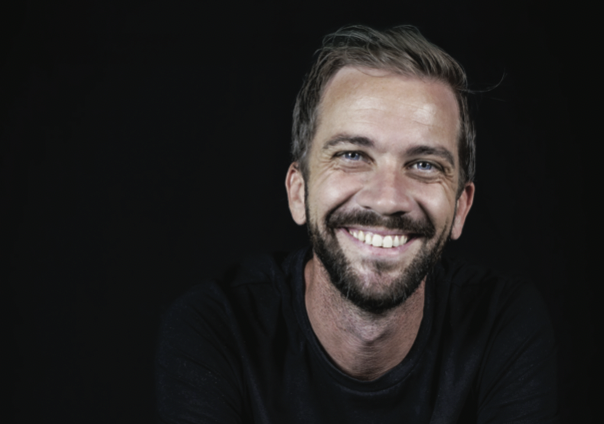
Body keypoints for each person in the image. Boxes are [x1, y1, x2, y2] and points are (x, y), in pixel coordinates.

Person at [155, 25, 558, 423]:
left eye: (424, 165)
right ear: (298, 192)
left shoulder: (503, 324)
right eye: (352, 156)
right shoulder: (216, 328)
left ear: (460, 208)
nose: (387, 199)